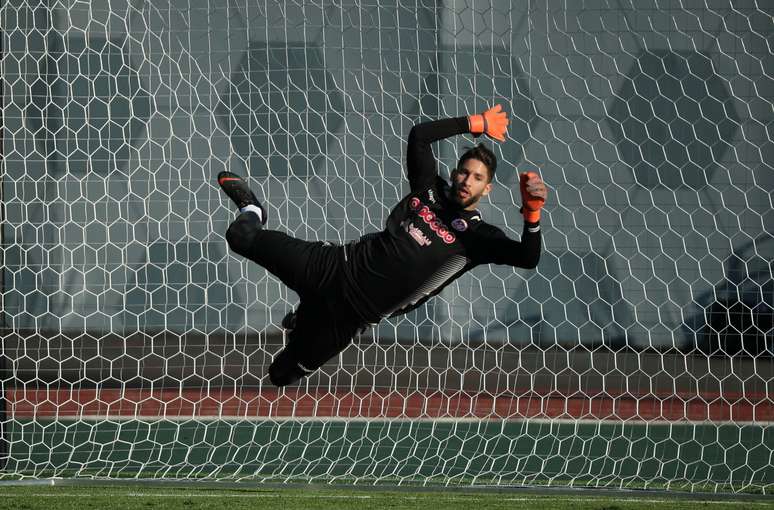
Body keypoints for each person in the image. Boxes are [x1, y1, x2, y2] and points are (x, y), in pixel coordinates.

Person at [218, 105, 547, 387]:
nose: (466, 180)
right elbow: (419, 135)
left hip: (350, 317)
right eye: (464, 172)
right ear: (455, 172)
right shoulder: (428, 191)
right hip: (332, 266)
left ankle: (304, 320)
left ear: (487, 189)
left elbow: (528, 257)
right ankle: (253, 211)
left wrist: (532, 213)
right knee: (240, 237)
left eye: (476, 177)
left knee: (282, 374)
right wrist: (474, 123)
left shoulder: (477, 238)